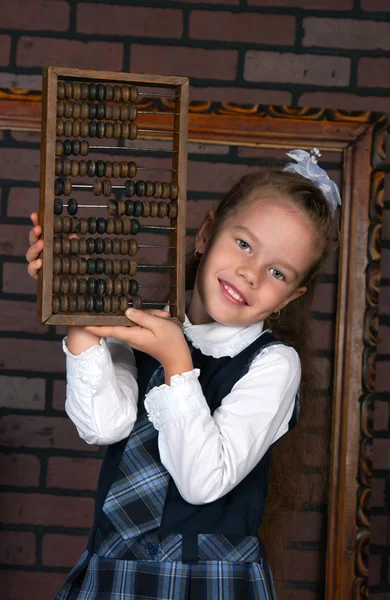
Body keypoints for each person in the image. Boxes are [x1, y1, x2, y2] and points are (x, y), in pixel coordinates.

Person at [26, 149, 340, 600]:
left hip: (208, 581)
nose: (249, 273)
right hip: (114, 568)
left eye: (276, 271)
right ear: (206, 233)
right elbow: (103, 425)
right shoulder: (147, 325)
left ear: (291, 297)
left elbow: (202, 482)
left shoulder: (273, 363)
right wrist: (77, 306)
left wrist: (177, 362)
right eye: (244, 244)